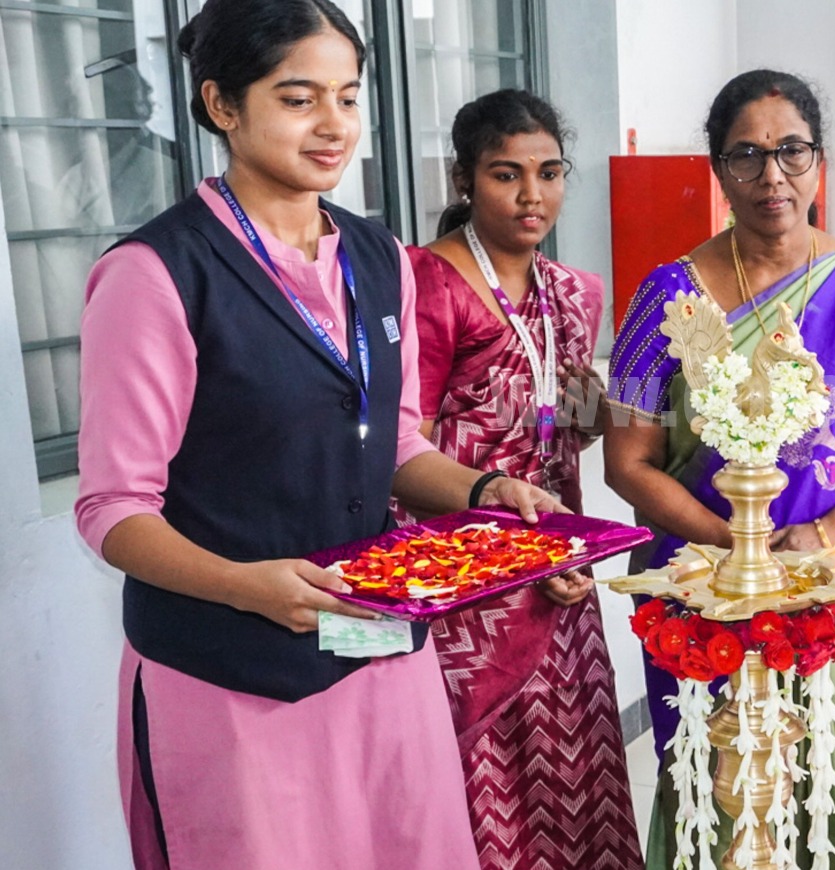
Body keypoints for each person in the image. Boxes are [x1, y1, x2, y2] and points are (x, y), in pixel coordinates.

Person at [71, 1, 565, 867]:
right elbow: (113, 509)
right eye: (299, 99)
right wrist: (241, 585)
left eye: (347, 96)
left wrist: (486, 493)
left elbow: (397, 442)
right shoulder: (156, 275)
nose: (333, 126)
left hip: (377, 652)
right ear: (223, 105)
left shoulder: (378, 258)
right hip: (234, 677)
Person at [605, 69, 835, 869]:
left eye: (791, 152)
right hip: (705, 591)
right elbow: (626, 459)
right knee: (717, 797)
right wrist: (737, 549)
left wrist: (823, 535)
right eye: (746, 155)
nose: (771, 176)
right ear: (718, 169)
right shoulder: (665, 297)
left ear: (821, 160)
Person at [407, 89, 638, 868]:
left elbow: (574, 415)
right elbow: (405, 448)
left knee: (574, 765)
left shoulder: (577, 292)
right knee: (482, 780)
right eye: (506, 174)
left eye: (549, 172)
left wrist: (675, 406)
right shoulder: (425, 285)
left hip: (558, 567)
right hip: (463, 580)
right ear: (465, 178)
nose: (532, 195)